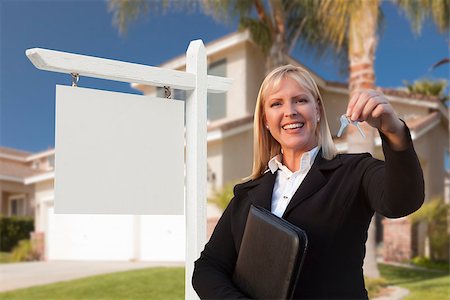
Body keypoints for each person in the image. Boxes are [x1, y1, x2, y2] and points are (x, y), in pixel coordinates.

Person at [192, 65, 424, 299]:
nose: (290, 111)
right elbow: (208, 267)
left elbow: (402, 201)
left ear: (318, 110)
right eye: (276, 104)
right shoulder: (246, 194)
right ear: (265, 120)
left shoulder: (355, 171)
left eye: (300, 100)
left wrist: (393, 130)